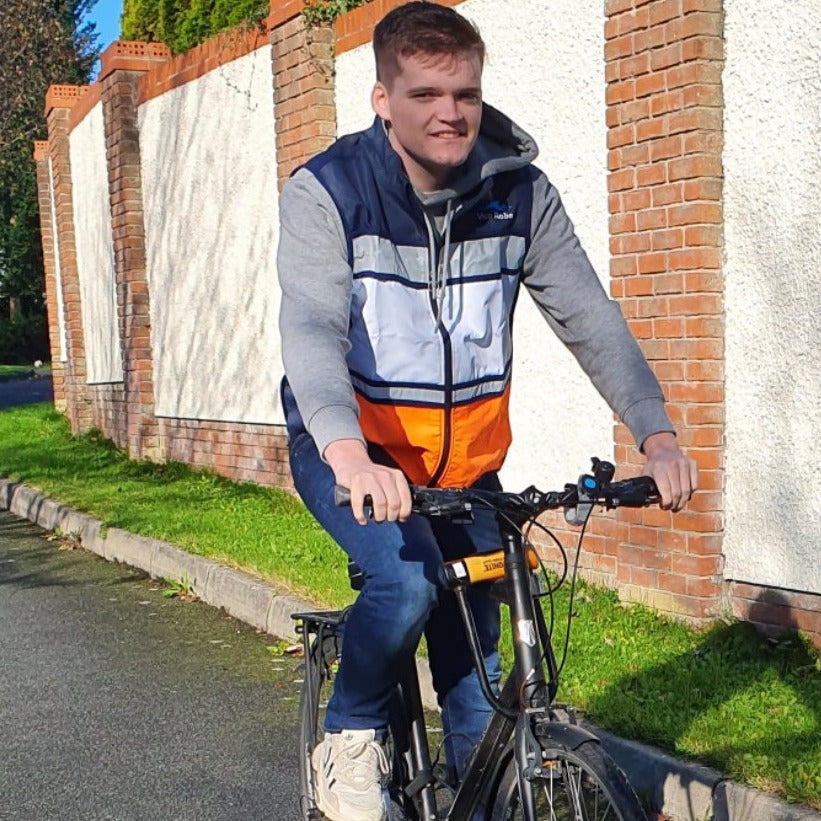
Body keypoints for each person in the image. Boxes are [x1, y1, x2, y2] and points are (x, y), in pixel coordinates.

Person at [277, 3, 698, 819]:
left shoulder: (517, 194)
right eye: (426, 92)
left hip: (465, 462)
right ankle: (351, 734)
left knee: (480, 676)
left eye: (464, 92)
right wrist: (347, 454)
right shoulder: (329, 192)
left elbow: (589, 318)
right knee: (402, 585)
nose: (449, 112)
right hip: (350, 444)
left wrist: (656, 430)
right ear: (381, 98)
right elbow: (312, 327)